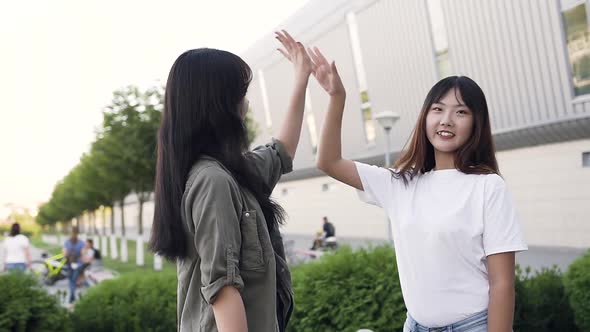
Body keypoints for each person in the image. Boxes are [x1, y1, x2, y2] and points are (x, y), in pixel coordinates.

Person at [311, 47, 527, 332]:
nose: (446, 120)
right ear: (425, 117)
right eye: (438, 109)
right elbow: (328, 161)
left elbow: (502, 283)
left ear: (476, 123)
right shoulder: (400, 184)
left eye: (460, 112)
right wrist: (337, 97)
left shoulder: (488, 187)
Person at [149, 30, 314, 332]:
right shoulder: (212, 181)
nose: (246, 105)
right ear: (219, 103)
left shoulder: (235, 173)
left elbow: (281, 151)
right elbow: (222, 288)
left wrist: (301, 79)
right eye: (241, 95)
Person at [63, 226, 85, 303]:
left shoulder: (67, 242)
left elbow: (65, 254)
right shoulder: (81, 243)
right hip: (78, 264)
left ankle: (72, 296)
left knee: (70, 280)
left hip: (69, 263)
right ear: (78, 233)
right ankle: (73, 295)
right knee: (74, 280)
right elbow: (83, 255)